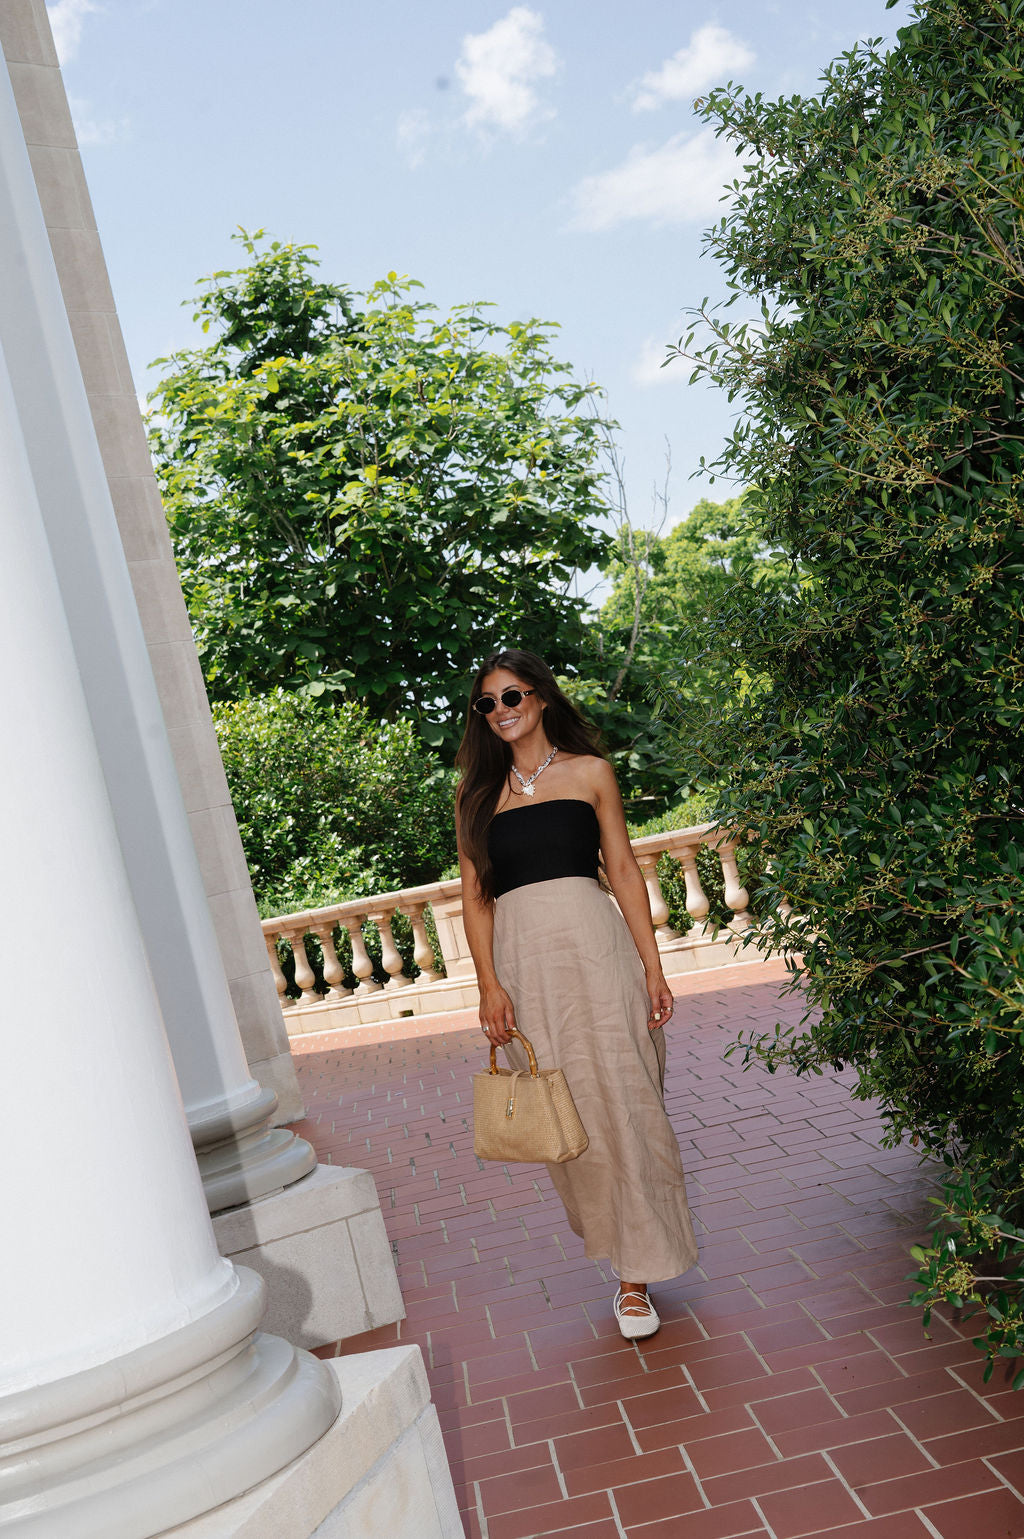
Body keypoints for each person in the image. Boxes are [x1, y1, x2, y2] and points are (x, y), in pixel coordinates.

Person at [455, 648, 698, 1339]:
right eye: (487, 703)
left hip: (599, 955)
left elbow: (621, 868)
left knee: (629, 1098)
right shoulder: (475, 796)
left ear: (539, 697)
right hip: (526, 971)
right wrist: (489, 986)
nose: (501, 710)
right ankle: (618, 1251)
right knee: (568, 1113)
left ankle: (635, 1281)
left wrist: (653, 968)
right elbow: (476, 898)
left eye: (512, 696)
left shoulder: (591, 772)